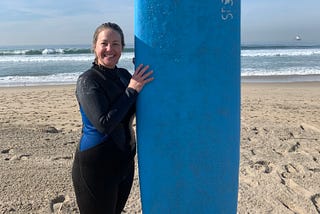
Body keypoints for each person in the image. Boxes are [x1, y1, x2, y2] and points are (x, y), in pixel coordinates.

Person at [72, 22, 154, 214]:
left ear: (122, 47)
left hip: (124, 163)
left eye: (116, 44)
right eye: (104, 43)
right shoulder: (88, 80)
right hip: (96, 166)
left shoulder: (125, 76)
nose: (110, 49)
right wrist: (132, 90)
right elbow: (104, 124)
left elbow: (141, 107)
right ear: (95, 46)